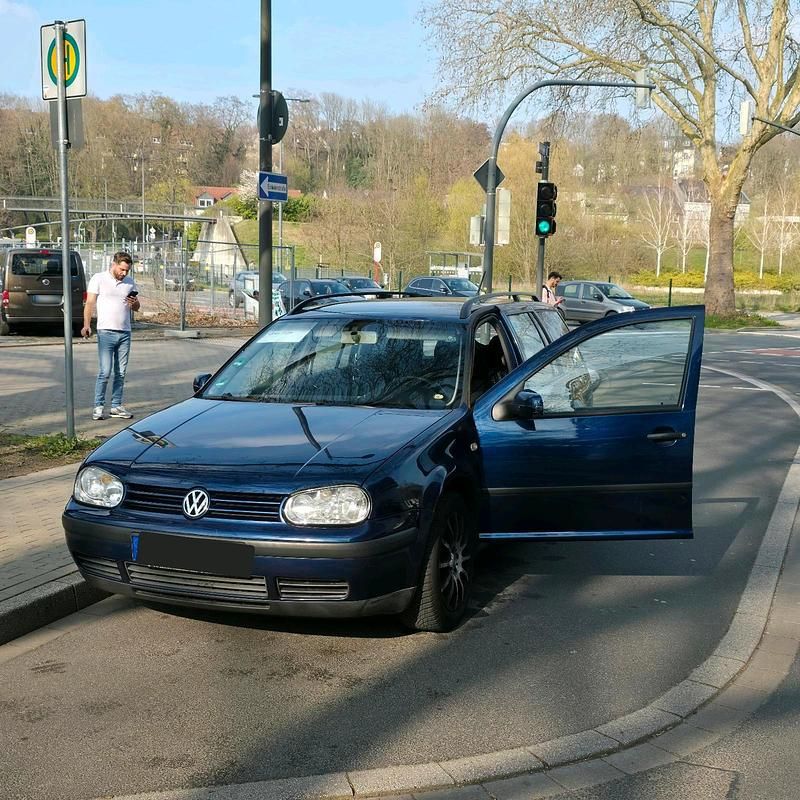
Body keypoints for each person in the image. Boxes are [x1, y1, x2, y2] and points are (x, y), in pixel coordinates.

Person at [81, 251, 140, 421]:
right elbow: (90, 303)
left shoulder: (129, 282)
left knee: (120, 372)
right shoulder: (99, 278)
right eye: (122, 269)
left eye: (127, 271)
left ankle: (116, 406)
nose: (124, 273)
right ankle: (98, 406)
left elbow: (136, 307)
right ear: (113, 264)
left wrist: (135, 303)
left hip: (125, 333)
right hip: (106, 331)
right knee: (105, 371)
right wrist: (86, 325)